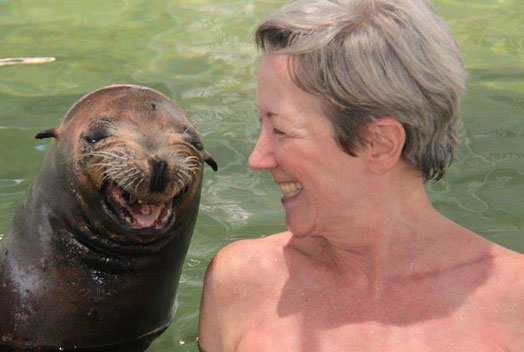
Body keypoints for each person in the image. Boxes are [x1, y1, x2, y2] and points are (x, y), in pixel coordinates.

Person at [198, 0, 524, 351]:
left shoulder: (514, 305)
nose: (257, 159)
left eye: (280, 130)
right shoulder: (240, 283)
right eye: (261, 123)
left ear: (379, 144)